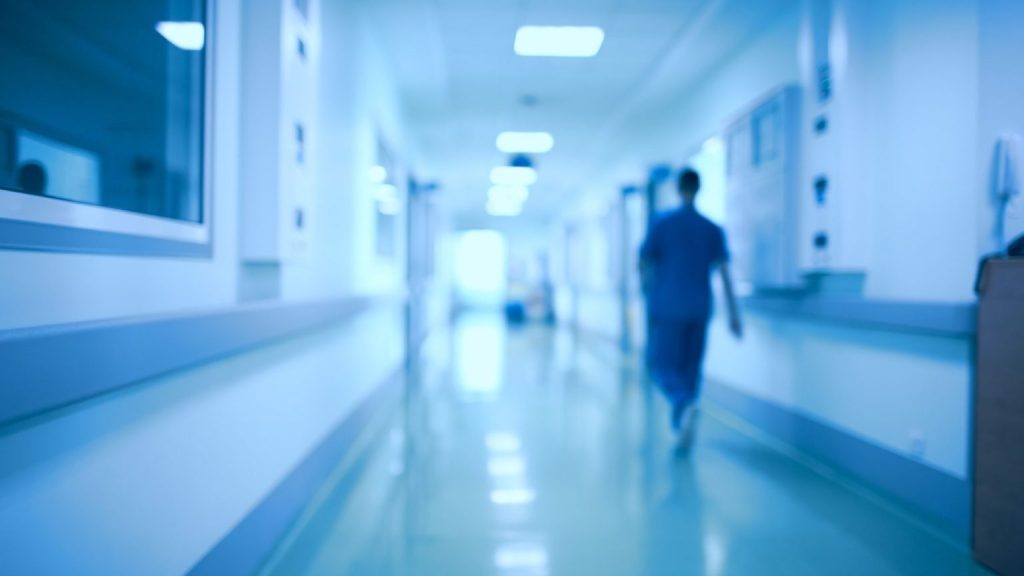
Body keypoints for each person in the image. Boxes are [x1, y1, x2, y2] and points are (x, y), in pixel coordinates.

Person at [639, 167, 742, 445]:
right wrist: (734, 314)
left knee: (661, 366)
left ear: (678, 188)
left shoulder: (661, 224)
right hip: (699, 308)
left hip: (667, 307)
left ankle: (682, 404)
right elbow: (724, 272)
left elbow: (644, 262)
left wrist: (647, 293)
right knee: (690, 369)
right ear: (699, 189)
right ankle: (683, 420)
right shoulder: (711, 229)